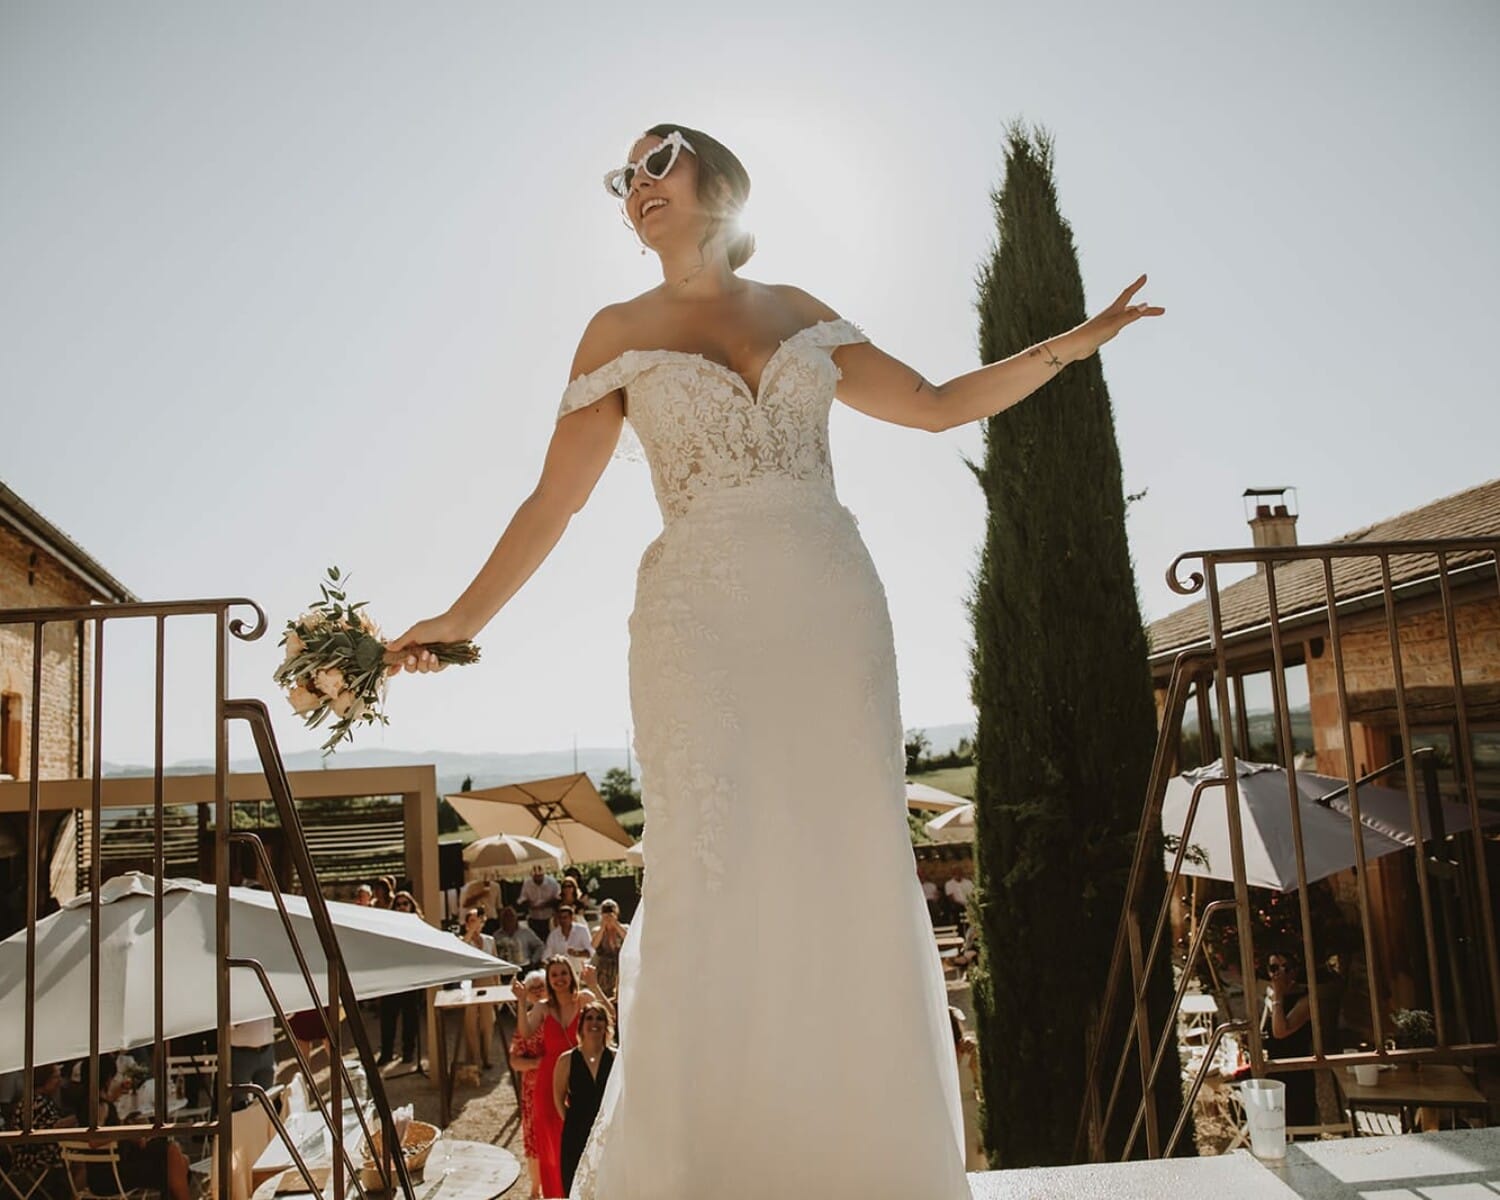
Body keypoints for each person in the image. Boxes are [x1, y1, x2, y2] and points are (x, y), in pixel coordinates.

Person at [386, 122, 1159, 1197]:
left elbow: (934, 407)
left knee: (845, 862)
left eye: (658, 160)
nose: (636, 187)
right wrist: (453, 622)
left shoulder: (800, 311)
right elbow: (553, 503)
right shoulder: (615, 329)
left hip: (832, 612)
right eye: (622, 180)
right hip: (696, 623)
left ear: (717, 176)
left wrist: (1072, 344)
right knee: (716, 865)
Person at [515, 957, 610, 1198]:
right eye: (554, 975)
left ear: (571, 975)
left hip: (581, 1072)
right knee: (552, 1147)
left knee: (582, 1139)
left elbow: (610, 1017)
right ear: (549, 979)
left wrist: (595, 984)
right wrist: (521, 1001)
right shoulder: (543, 1007)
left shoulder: (584, 998)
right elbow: (525, 1033)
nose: (559, 979)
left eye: (563, 973)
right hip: (549, 1079)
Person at [554, 1002, 616, 1196]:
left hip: (609, 1132)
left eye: (599, 1018)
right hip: (576, 1132)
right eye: (589, 1018)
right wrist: (572, 1121)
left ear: (606, 1025)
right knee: (576, 1185)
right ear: (581, 1025)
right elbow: (558, 1097)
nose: (594, 1022)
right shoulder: (566, 1060)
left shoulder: (616, 1058)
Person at [1262, 948, 1317, 1128]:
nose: (1278, 973)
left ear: (1294, 970)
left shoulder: (1305, 998)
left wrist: (1278, 995)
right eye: (1273, 968)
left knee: (1298, 1124)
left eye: (1284, 967)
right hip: (1275, 1068)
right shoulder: (1272, 996)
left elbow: (1280, 1031)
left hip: (1296, 1070)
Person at [508, 971, 550, 1200]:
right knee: (534, 1139)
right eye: (532, 987)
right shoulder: (526, 1019)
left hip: (556, 1085)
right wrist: (537, 1063)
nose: (537, 990)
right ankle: (536, 1188)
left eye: (541, 986)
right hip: (533, 1089)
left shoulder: (557, 1012)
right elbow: (514, 1060)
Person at [378, 891, 426, 1066]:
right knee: (388, 1018)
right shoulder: (388, 925)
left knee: (410, 1018)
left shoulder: (418, 925)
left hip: (411, 978)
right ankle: (386, 1053)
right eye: (398, 904)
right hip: (391, 977)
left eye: (405, 903)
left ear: (411, 905)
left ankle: (408, 1052)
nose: (402, 907)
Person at [458, 907, 500, 1070]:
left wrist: (497, 986)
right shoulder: (464, 940)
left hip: (487, 982)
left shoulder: (489, 940)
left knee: (487, 1022)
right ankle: (474, 1058)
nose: (477, 924)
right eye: (473, 921)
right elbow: (462, 947)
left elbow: (495, 964)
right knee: (470, 1023)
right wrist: (471, 932)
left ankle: (486, 1056)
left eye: (479, 920)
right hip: (470, 983)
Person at [949, 1007, 986, 1171]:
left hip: (969, 1114)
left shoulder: (968, 1051)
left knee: (974, 1163)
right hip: (952, 1115)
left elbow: (980, 1082)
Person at [590, 899, 629, 1000]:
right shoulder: (597, 930)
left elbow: (628, 939)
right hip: (602, 970)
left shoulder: (624, 928)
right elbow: (594, 945)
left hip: (620, 968)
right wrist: (603, 927)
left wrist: (615, 924)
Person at [495, 904, 545, 972]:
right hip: (505, 968)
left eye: (511, 916)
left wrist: (533, 961)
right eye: (506, 917)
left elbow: (540, 946)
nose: (509, 919)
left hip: (524, 967)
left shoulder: (526, 932)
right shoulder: (496, 936)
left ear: (516, 918)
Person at [519, 865, 561, 943]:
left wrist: (545, 904)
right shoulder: (527, 883)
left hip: (549, 918)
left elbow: (558, 899)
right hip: (534, 918)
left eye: (540, 876)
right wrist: (530, 905)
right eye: (535, 877)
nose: (538, 879)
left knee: (549, 941)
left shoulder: (552, 883)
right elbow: (522, 900)